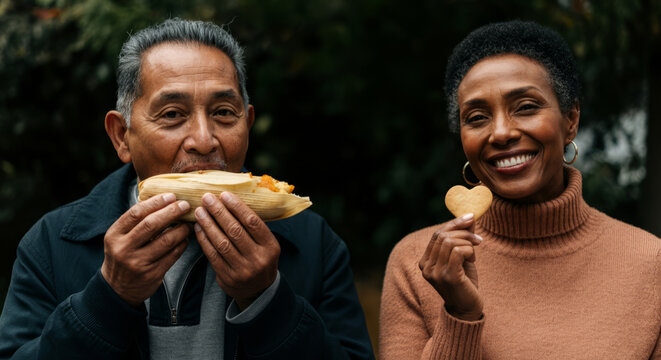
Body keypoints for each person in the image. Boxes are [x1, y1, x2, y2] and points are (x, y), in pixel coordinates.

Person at [0, 18, 374, 360]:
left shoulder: (313, 243)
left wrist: (268, 301)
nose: (203, 140)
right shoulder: (52, 244)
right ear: (121, 136)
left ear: (248, 123)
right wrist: (108, 297)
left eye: (224, 112)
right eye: (173, 115)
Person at [379, 20, 661, 359]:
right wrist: (460, 315)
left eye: (526, 107)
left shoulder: (651, 264)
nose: (500, 133)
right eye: (477, 117)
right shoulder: (417, 264)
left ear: (570, 120)